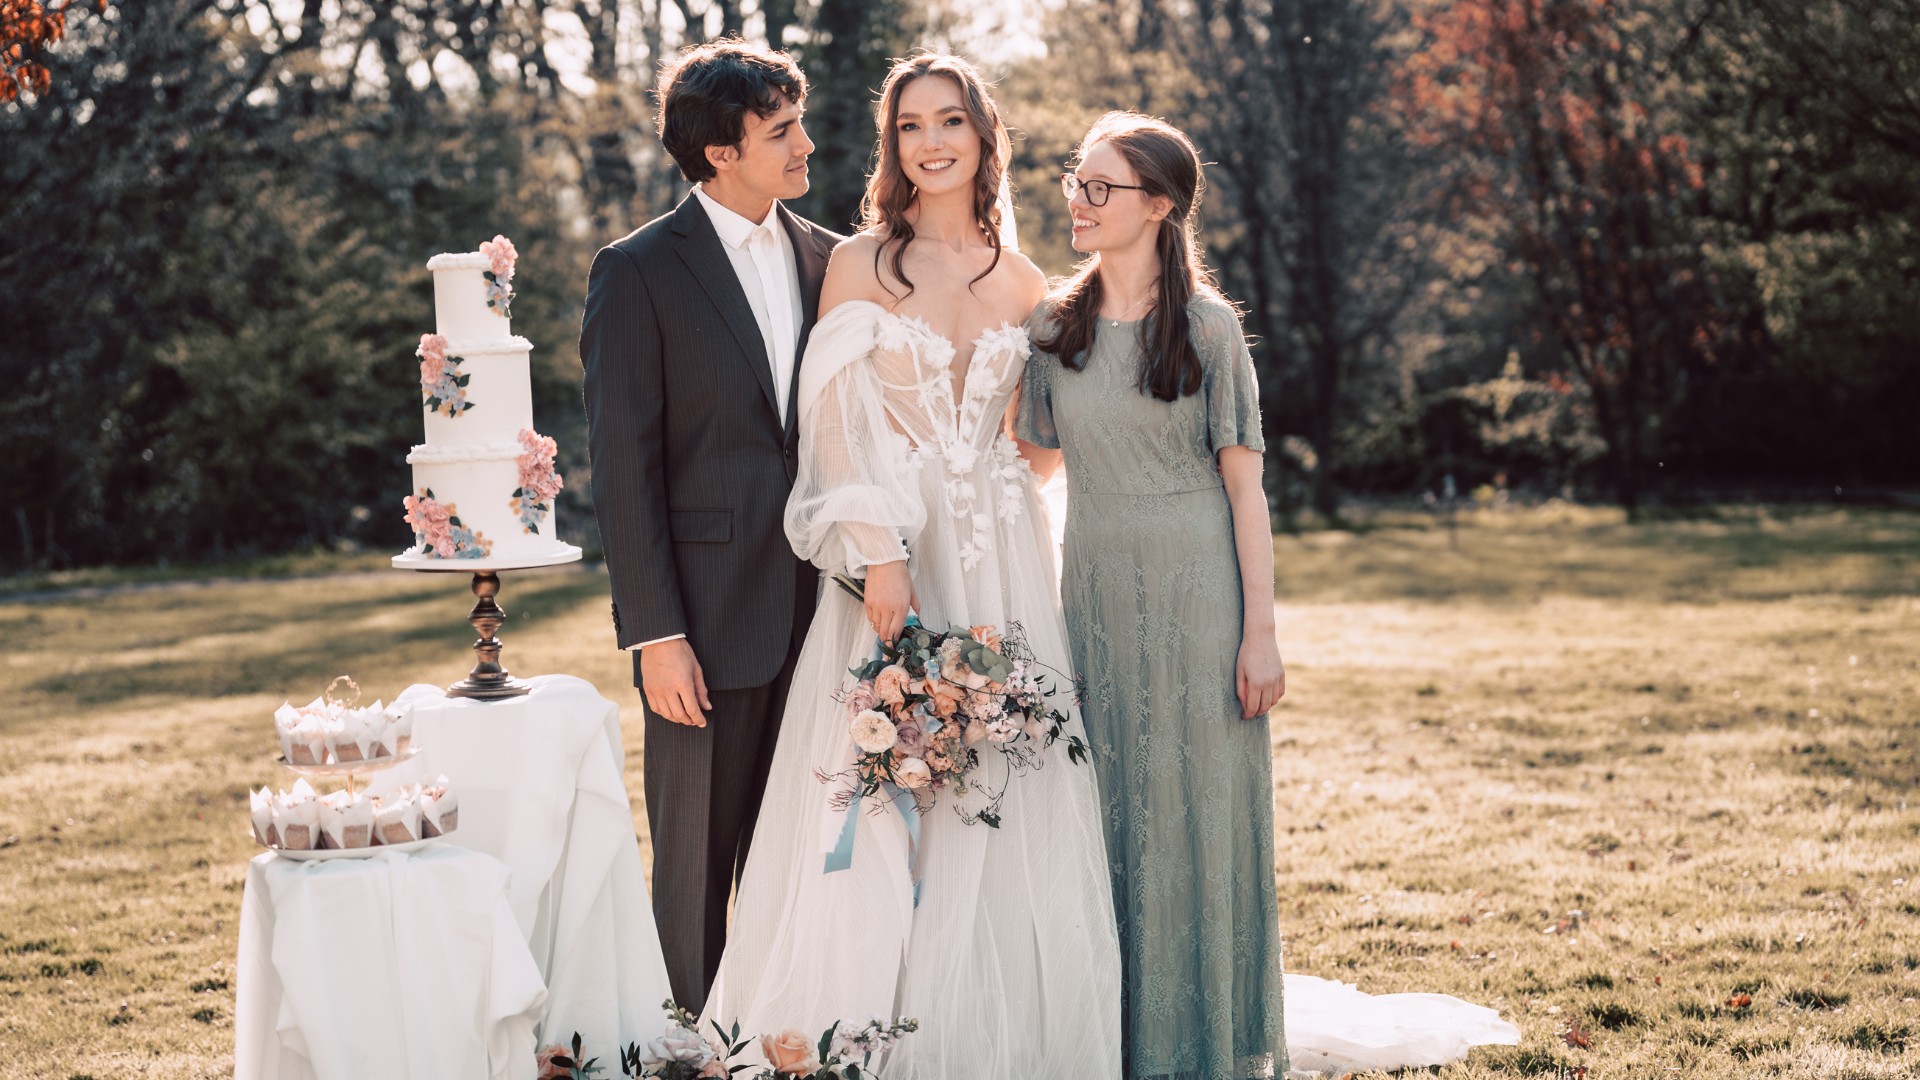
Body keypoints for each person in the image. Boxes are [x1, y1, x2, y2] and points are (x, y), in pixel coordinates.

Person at [1020, 111, 1519, 1079]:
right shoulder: (1052, 327)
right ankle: (1114, 1034)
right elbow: (1027, 468)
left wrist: (1262, 637)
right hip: (1091, 592)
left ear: (1159, 206)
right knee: (1107, 811)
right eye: (1074, 183)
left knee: (1201, 812)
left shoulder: (1207, 329)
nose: (1077, 203)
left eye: (1100, 188)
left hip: (1201, 593)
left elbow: (1247, 492)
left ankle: (1205, 1035)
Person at [702, 53, 1122, 1078]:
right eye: (909, 127)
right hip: (895, 550)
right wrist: (880, 558)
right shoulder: (864, 262)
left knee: (996, 776)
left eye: (950, 123)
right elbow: (834, 426)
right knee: (884, 777)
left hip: (1005, 553)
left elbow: (1042, 442)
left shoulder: (1030, 282)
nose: (930, 143)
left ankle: (996, 1029)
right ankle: (857, 1030)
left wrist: (1019, 458)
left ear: (985, 136)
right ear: (892, 147)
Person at [578, 39, 842, 1014]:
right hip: (703, 628)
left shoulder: (830, 258)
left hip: (823, 619)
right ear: (720, 151)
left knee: (811, 862)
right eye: (783, 131)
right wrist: (657, 636)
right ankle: (687, 1045)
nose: (806, 145)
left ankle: (785, 1035)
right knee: (695, 872)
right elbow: (625, 470)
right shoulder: (638, 271)